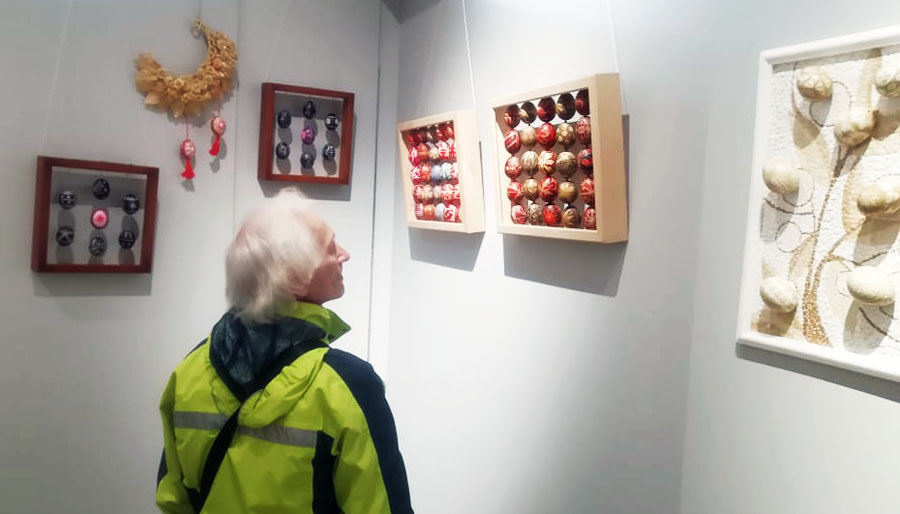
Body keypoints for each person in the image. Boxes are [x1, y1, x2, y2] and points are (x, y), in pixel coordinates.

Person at [155, 189, 413, 513]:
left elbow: (173, 497)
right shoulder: (350, 386)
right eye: (331, 247)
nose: (344, 255)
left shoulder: (190, 369)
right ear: (294, 279)